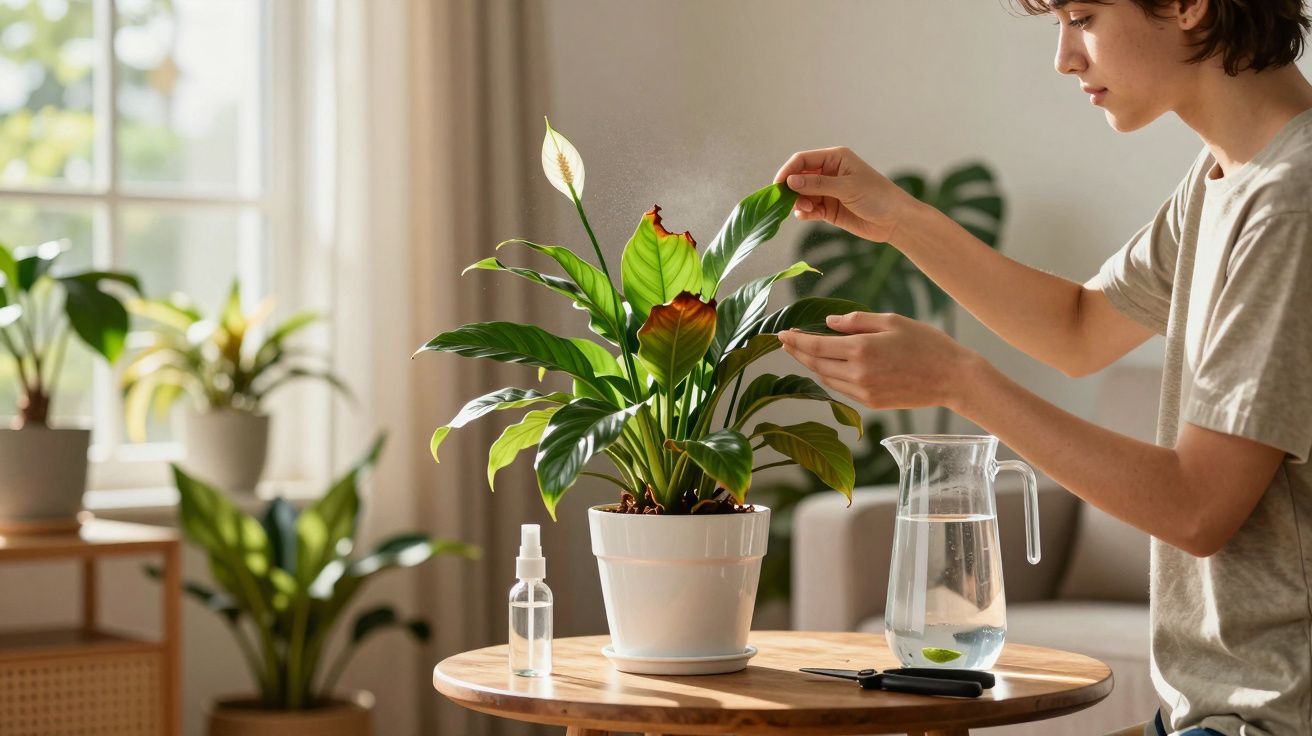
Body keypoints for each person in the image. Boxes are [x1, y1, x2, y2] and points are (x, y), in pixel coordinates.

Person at [773, 2, 1312, 734]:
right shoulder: (1227, 176)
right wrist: (899, 219)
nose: (1065, 57)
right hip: (1213, 713)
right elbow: (1080, 327)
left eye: (1082, 15)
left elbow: (1197, 508)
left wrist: (958, 381)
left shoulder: (1291, 203)